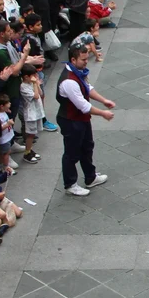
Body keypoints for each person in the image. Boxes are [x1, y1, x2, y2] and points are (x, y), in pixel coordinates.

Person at [55, 44, 113, 197]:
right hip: (71, 120)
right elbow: (83, 106)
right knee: (71, 153)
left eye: (87, 59)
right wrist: (103, 113)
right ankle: (70, 184)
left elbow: (88, 87)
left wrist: (103, 100)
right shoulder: (69, 81)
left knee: (87, 147)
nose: (86, 62)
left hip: (81, 119)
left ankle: (90, 177)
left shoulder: (78, 72)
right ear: (73, 60)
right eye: (83, 60)